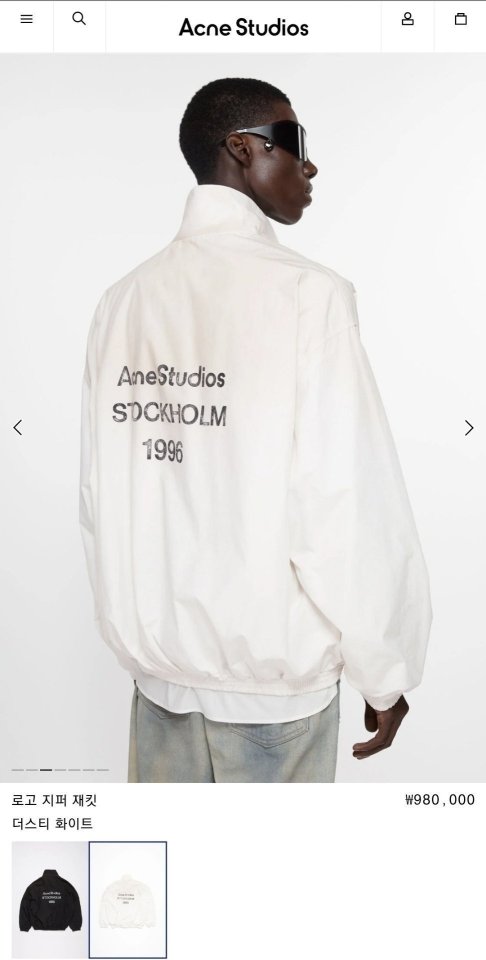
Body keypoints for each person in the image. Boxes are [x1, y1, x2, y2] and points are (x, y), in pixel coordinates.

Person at [80, 77, 432, 783]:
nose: (311, 165)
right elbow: (343, 504)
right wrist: (385, 672)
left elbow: (101, 499)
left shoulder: (124, 301)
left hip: (159, 690)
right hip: (274, 702)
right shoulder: (307, 296)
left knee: (170, 859)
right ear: (242, 148)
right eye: (293, 141)